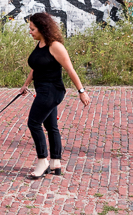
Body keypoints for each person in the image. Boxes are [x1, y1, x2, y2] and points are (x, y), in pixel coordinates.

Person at [19, 12, 90, 179]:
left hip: (52, 91)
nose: (30, 32)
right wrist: (26, 85)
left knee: (34, 123)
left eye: (32, 29)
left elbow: (70, 70)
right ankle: (55, 162)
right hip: (42, 90)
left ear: (42, 28)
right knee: (51, 127)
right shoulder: (41, 43)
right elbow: (36, 67)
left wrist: (81, 91)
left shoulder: (55, 46)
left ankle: (42, 161)